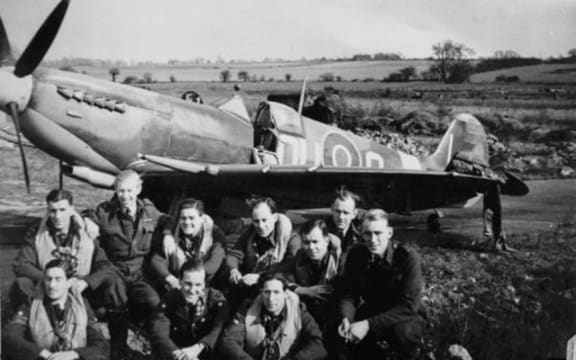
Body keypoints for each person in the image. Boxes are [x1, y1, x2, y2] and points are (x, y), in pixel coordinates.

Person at [86, 169, 170, 358]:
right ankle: (118, 349)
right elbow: (90, 213)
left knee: (153, 302)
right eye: (121, 190)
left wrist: (168, 235)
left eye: (129, 191)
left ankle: (155, 345)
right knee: (117, 299)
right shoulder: (105, 211)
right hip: (115, 269)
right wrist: (88, 220)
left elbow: (167, 220)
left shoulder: (149, 211)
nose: (125, 196)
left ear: (138, 189)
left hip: (139, 272)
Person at [336, 209, 424, 359]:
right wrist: (347, 318)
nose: (373, 239)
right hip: (373, 311)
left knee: (404, 334)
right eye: (367, 234)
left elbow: (409, 306)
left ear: (389, 233)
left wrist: (367, 325)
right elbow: (349, 294)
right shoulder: (356, 254)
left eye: (378, 233)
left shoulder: (406, 257)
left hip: (402, 316)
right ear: (361, 234)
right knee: (338, 331)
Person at [11, 189, 115, 311]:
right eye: (53, 211)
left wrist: (86, 283)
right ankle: (28, 317)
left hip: (79, 288)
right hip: (48, 287)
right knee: (22, 283)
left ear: (71, 210)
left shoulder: (86, 232)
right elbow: (21, 265)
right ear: (48, 211)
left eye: (62, 210)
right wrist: (52, 279)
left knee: (111, 280)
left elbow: (104, 266)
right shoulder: (37, 233)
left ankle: (114, 321)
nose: (58, 216)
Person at [2, 259, 108, 360]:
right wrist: (40, 352)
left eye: (58, 279)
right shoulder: (31, 304)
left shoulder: (81, 305)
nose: (52, 285)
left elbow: (100, 345)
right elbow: (10, 336)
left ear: (69, 282)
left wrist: (75, 354)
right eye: (48, 279)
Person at [217, 273, 327, 360]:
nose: (271, 298)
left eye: (276, 292)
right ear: (261, 292)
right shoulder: (247, 308)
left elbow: (318, 344)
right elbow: (228, 341)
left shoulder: (299, 310)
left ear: (285, 293)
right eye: (267, 292)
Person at [149, 258, 231, 360]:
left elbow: (219, 329)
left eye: (198, 285)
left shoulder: (215, 300)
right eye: (188, 284)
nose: (192, 290)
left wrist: (198, 347)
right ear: (180, 282)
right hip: (176, 353)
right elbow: (159, 331)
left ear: (204, 285)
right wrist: (181, 356)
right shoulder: (171, 298)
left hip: (204, 353)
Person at [269, 219, 341, 330]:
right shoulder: (300, 256)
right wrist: (301, 290)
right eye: (306, 243)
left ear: (326, 241)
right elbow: (276, 274)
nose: (311, 247)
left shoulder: (340, 260)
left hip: (334, 314)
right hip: (306, 314)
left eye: (315, 242)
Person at [225, 197, 300, 300]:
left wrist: (260, 277)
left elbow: (289, 267)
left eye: (264, 220)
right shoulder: (250, 233)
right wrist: (233, 270)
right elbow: (234, 254)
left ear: (274, 217)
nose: (260, 226)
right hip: (250, 286)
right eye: (256, 221)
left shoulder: (291, 238)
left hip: (275, 291)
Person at [151, 198, 226, 292]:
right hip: (175, 284)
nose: (187, 222)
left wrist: (190, 280)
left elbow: (214, 264)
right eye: (183, 218)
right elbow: (157, 259)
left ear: (201, 219)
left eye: (191, 218)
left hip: (202, 285)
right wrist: (170, 278)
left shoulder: (216, 234)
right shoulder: (172, 232)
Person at [325, 187, 361, 256]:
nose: (341, 217)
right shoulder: (320, 232)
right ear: (332, 209)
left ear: (354, 214)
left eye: (346, 213)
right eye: (338, 211)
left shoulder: (361, 236)